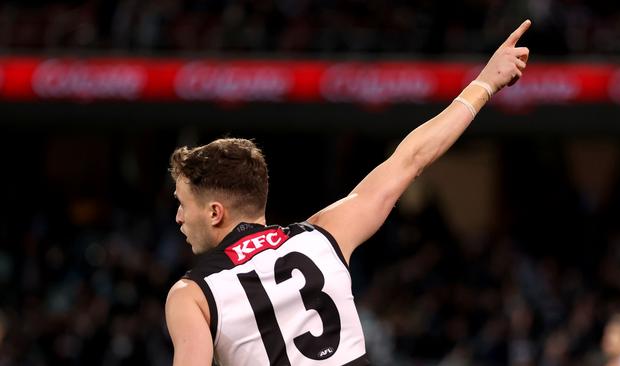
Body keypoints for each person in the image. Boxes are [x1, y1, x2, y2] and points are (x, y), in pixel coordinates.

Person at [165, 19, 532, 366]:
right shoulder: (322, 236)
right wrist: (485, 83)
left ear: (215, 212)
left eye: (183, 204)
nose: (178, 217)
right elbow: (411, 158)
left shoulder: (191, 295)